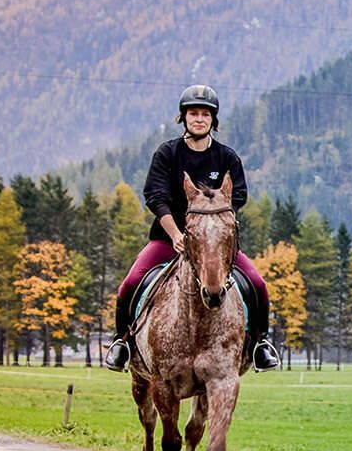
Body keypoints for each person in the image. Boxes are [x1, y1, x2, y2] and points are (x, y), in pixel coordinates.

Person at [104, 84, 279, 373]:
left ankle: (260, 344)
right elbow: (155, 196)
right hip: (168, 239)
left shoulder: (227, 158)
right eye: (193, 113)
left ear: (213, 120)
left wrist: (212, 232)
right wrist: (176, 235)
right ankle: (121, 342)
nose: (199, 119)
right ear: (183, 118)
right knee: (129, 284)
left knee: (258, 284)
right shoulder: (167, 154)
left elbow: (238, 197)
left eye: (205, 114)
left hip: (215, 244)